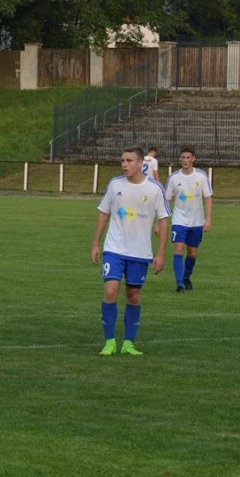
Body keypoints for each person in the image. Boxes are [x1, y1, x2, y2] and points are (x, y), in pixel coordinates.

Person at [91, 146, 170, 356]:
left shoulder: (155, 188)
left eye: (129, 161)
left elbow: (163, 220)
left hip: (140, 252)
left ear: (141, 163)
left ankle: (128, 343)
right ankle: (109, 342)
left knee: (133, 295)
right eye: (122, 160)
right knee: (110, 291)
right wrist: (95, 243)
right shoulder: (115, 184)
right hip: (114, 248)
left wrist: (161, 253)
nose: (124, 164)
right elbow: (103, 213)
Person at [164, 146, 213, 293]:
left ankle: (186, 277)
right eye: (183, 157)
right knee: (178, 249)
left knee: (192, 253)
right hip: (178, 220)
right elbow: (166, 200)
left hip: (197, 221)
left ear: (193, 159)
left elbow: (208, 198)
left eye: (188, 158)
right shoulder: (174, 177)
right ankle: (179, 283)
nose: (185, 160)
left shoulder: (201, 176)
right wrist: (161, 222)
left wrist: (208, 219)